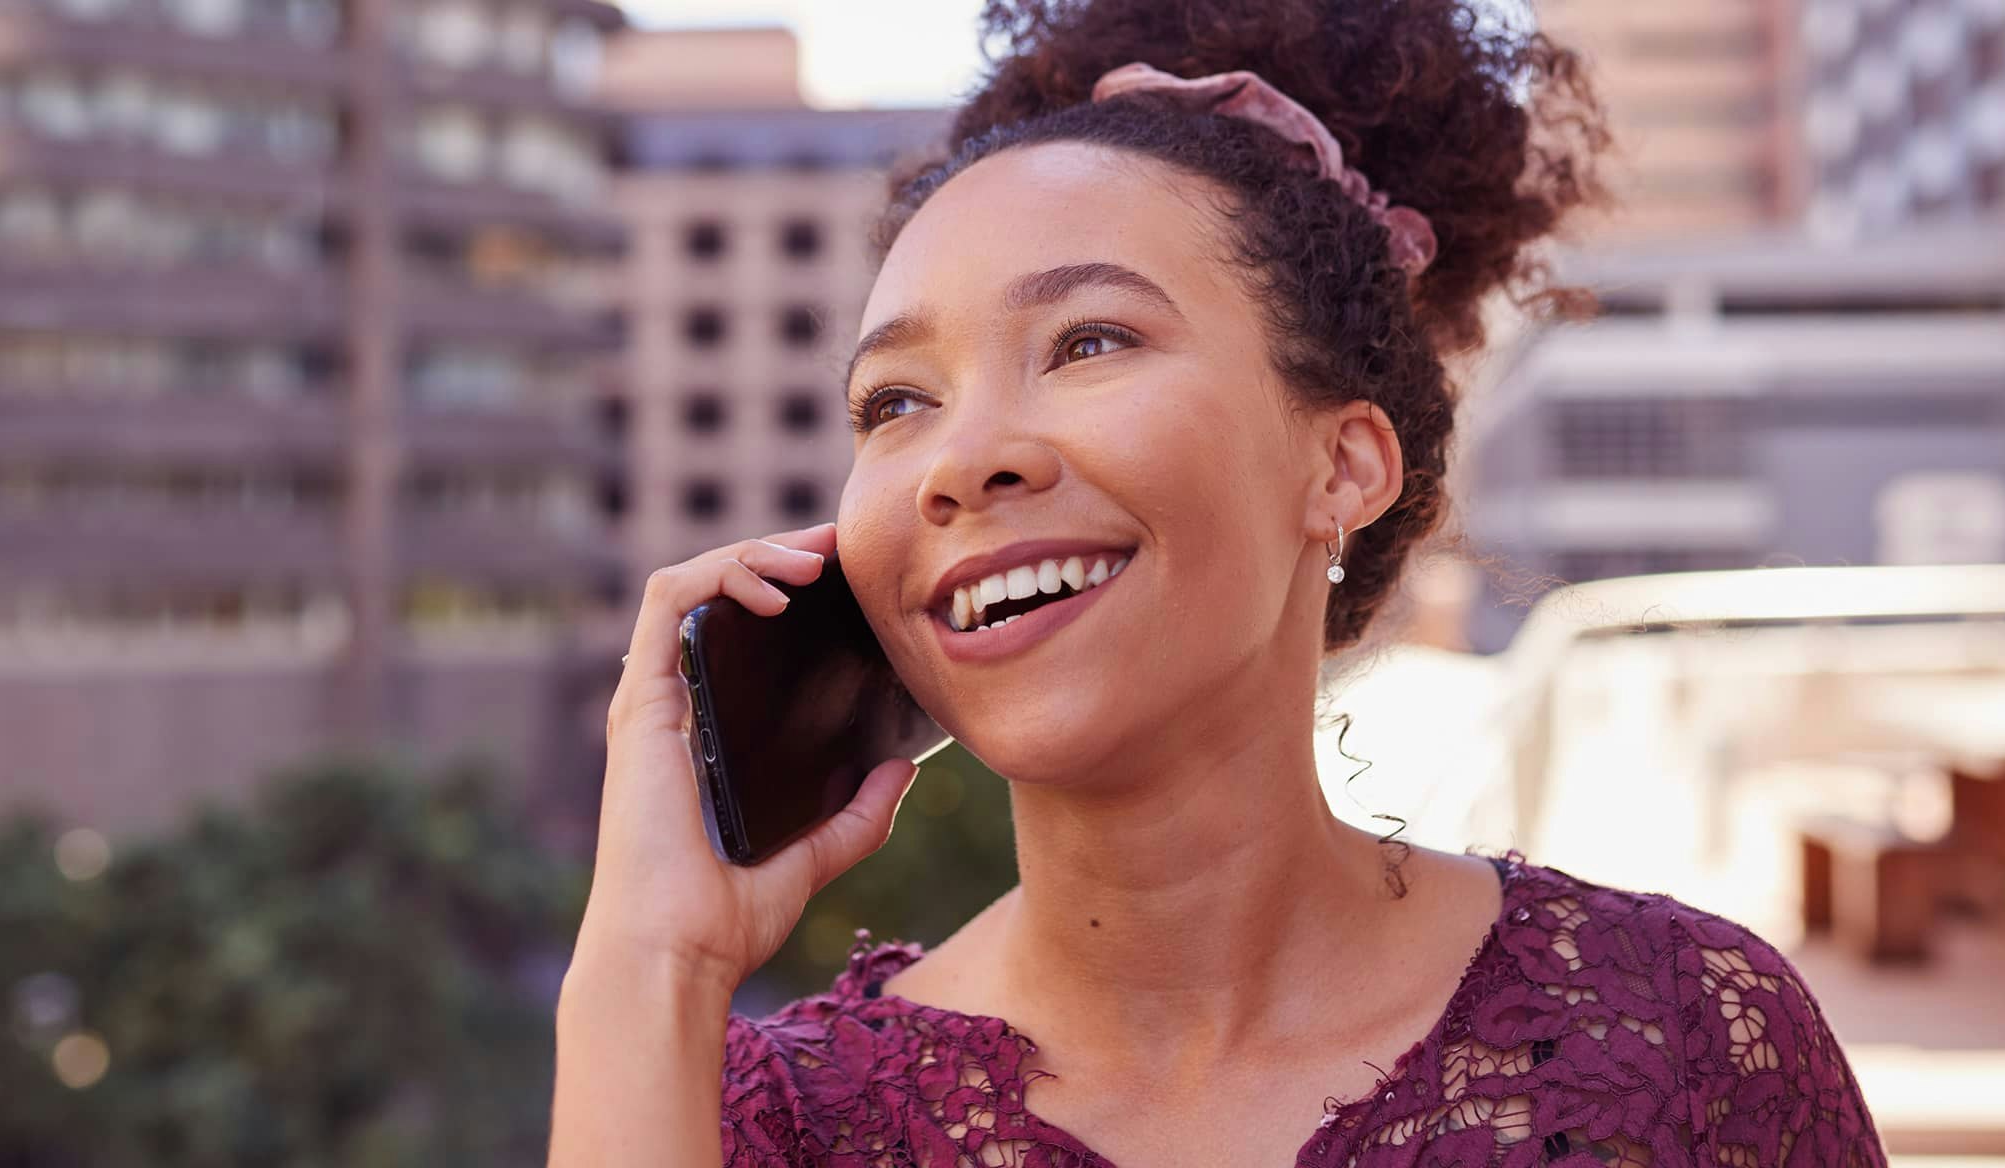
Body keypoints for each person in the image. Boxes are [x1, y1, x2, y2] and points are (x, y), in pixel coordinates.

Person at [551, 0, 1886, 1164]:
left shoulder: (1686, 1039)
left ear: (1342, 466)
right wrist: (645, 972)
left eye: (1086, 339)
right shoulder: (757, 1122)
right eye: (894, 399)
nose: (960, 460)